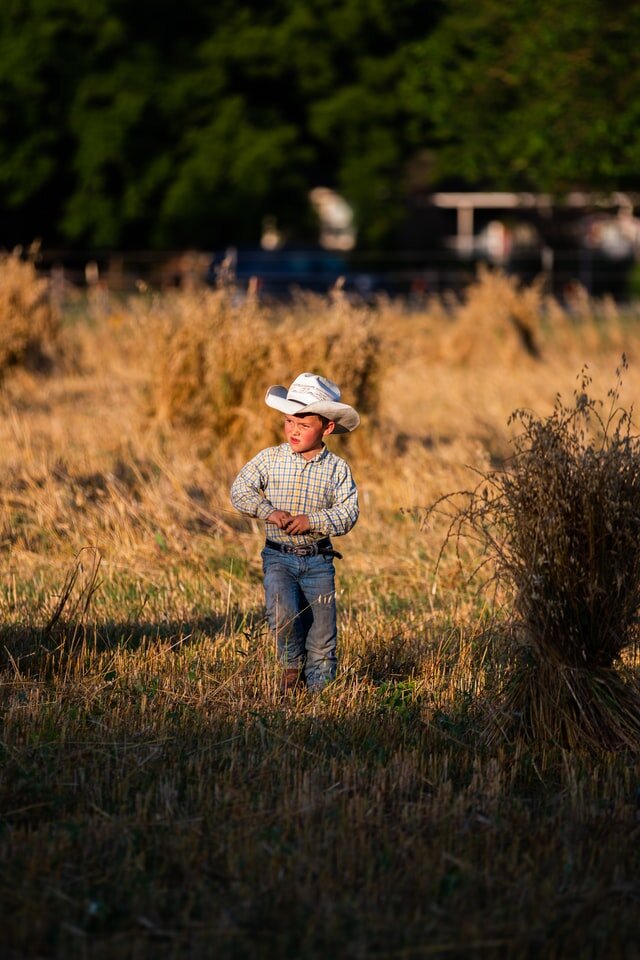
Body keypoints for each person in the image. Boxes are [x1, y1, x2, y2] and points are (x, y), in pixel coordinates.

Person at [230, 372, 360, 693]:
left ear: (326, 428)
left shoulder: (337, 469)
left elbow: (348, 512)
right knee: (282, 614)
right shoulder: (271, 459)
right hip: (278, 556)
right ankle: (291, 669)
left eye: (304, 425)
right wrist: (268, 511)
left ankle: (320, 691)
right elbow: (240, 489)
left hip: (318, 560)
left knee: (322, 629)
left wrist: (313, 521)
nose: (294, 431)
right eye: (289, 422)